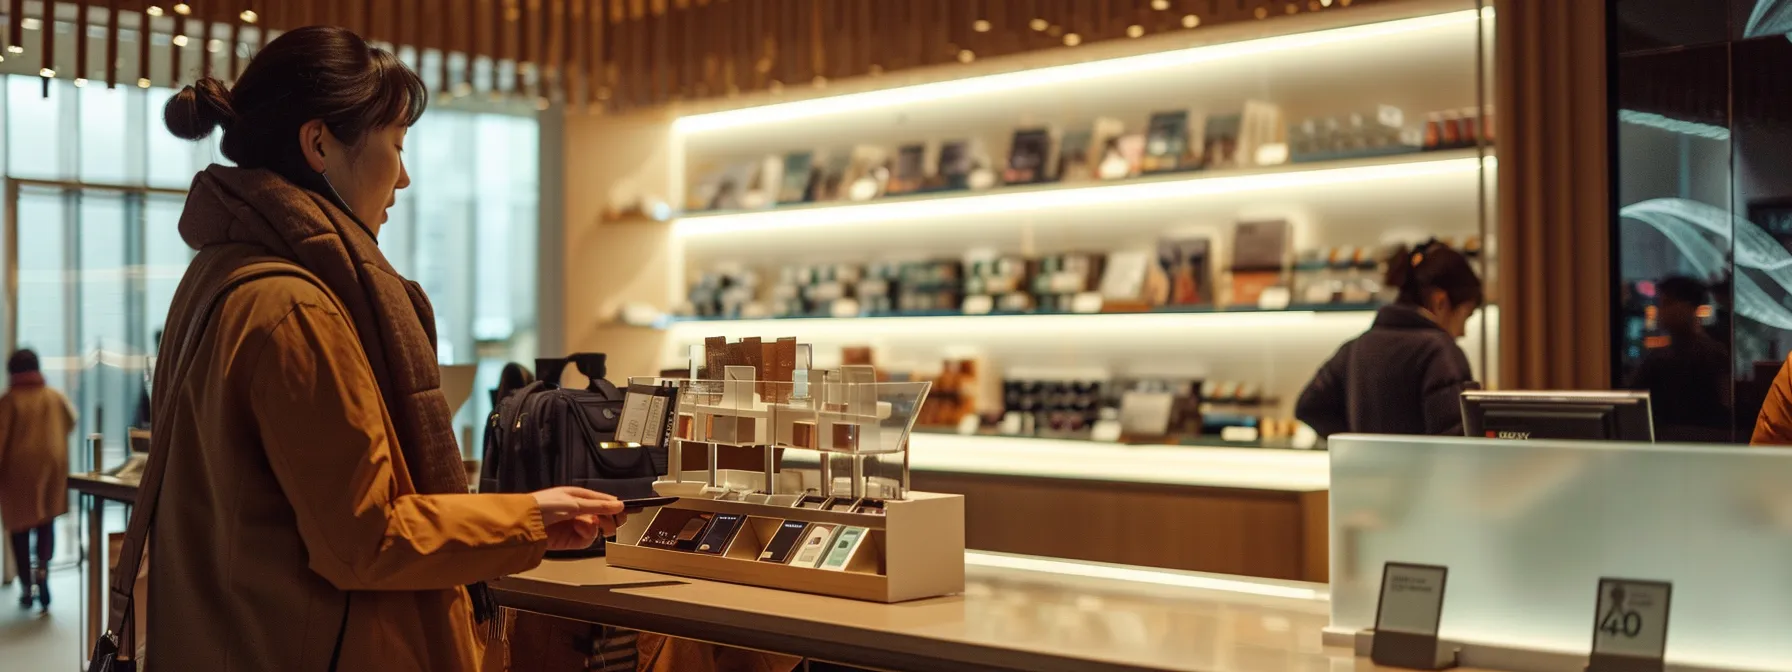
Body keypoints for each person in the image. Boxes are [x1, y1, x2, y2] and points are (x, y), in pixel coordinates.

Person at [150, 27, 624, 670]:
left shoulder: (221, 274)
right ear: (318, 143)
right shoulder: (300, 309)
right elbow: (365, 536)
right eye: (396, 145)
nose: (403, 177)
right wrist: (529, 517)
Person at [1296, 240, 1483, 437]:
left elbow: (1308, 406)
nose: (1463, 332)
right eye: (1466, 315)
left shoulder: (1356, 348)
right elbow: (1455, 445)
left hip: (1365, 468)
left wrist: (1356, 446)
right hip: (1420, 469)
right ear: (1440, 301)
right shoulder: (1440, 351)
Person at [0, 349, 75, 612]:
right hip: (51, 469)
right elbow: (71, 421)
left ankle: (26, 588)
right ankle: (43, 572)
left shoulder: (9, 401)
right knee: (46, 523)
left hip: (18, 473)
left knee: (20, 530)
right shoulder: (54, 396)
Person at [1623, 276, 1731, 441]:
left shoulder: (1708, 355)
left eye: (1667, 304)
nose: (1660, 311)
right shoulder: (1660, 357)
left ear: (1688, 307)